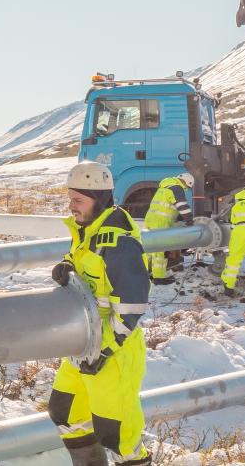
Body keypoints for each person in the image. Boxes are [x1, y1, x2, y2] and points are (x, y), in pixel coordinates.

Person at [48, 161, 152, 466]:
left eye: (78, 200)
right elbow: (88, 267)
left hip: (113, 352)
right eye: (70, 199)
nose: (72, 207)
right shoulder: (87, 231)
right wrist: (67, 264)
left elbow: (132, 304)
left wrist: (106, 348)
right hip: (84, 346)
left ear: (100, 199)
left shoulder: (118, 240)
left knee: (117, 436)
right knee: (65, 411)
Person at [141, 172, 194, 285]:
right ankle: (158, 278)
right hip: (160, 222)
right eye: (188, 188)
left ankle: (141, 273)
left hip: (151, 219)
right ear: (187, 183)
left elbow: (170, 206)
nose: (186, 190)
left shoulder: (166, 187)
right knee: (160, 251)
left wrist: (180, 217)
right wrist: (189, 219)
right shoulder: (177, 188)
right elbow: (182, 205)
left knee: (150, 249)